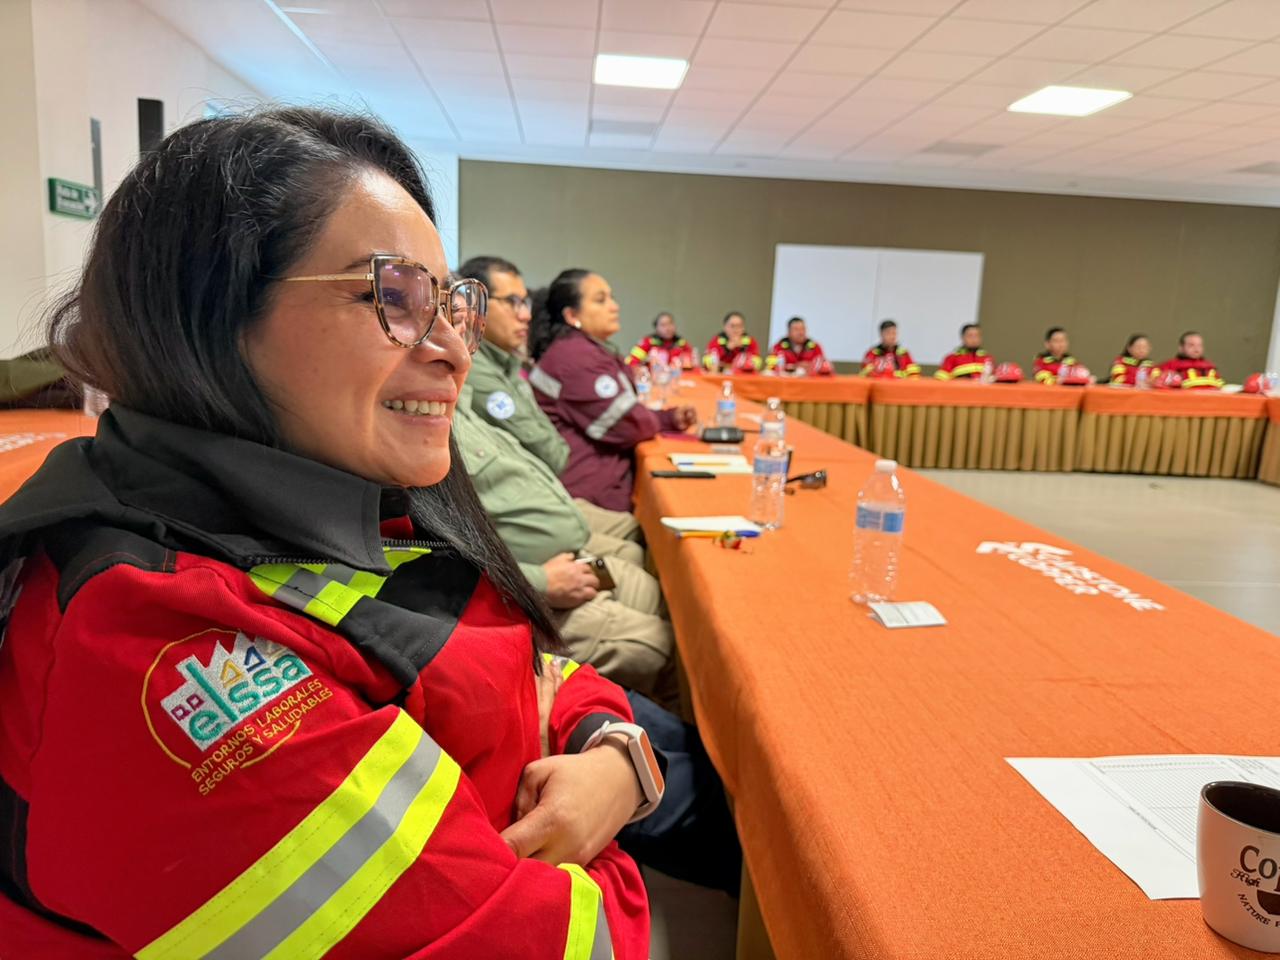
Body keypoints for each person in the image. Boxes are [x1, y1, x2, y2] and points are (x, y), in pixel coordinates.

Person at [0, 108, 654, 959]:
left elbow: (526, 666)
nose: (453, 350)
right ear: (209, 311)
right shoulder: (154, 649)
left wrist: (618, 756)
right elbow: (572, 941)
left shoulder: (343, 494)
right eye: (392, 296)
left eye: (448, 304)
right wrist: (605, 824)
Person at [452, 376, 675, 702]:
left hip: (561, 558)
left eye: (471, 347)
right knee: (661, 645)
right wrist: (540, 582)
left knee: (664, 601)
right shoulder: (418, 424)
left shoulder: (457, 401)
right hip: (522, 594)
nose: (461, 355)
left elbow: (553, 452)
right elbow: (439, 560)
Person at [457, 256, 640, 544]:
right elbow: (553, 452)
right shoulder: (477, 368)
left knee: (640, 529)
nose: (525, 315)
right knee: (639, 538)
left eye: (525, 302)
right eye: (512, 302)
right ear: (473, 305)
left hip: (546, 490)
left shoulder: (508, 362)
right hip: (539, 499)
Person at [528, 270, 697, 513]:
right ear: (572, 315)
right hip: (588, 495)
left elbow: (628, 415)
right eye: (601, 300)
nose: (614, 306)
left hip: (592, 483)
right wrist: (655, 420)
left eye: (611, 298)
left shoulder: (582, 348)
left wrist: (667, 418)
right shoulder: (576, 357)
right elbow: (630, 425)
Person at [627, 311, 695, 370]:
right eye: (663, 325)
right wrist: (645, 363)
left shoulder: (681, 343)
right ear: (656, 328)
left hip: (678, 377)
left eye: (670, 323)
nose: (668, 328)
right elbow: (631, 361)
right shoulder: (648, 342)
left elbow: (692, 362)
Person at [1159, 331, 1224, 389]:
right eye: (1191, 345)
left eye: (1199, 345)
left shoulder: (1209, 367)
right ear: (1181, 348)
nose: (1196, 349)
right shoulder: (1170, 366)